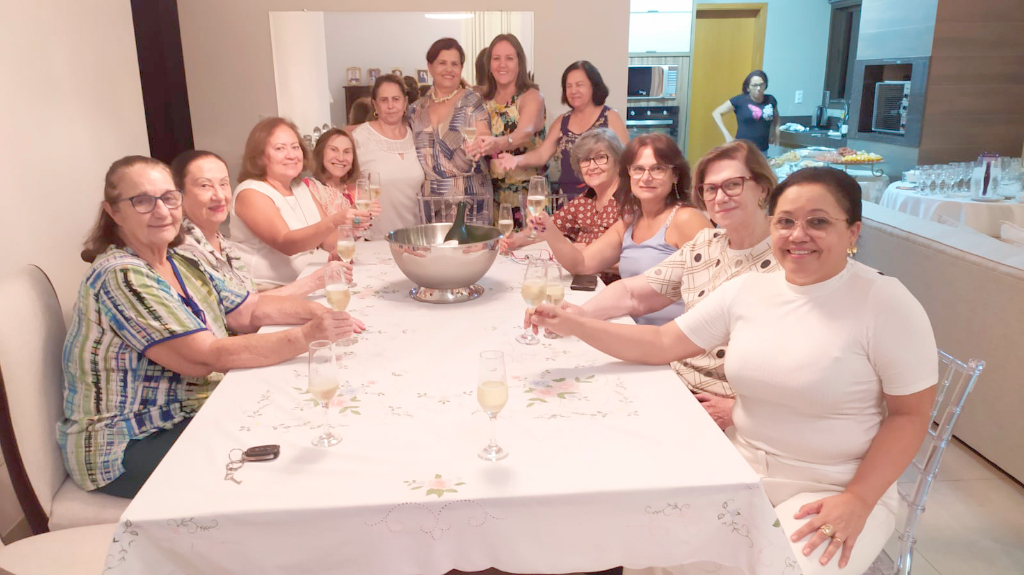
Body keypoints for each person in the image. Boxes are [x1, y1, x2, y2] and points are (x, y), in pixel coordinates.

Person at [531, 167, 938, 574]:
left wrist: (860, 500)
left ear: (852, 232)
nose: (798, 235)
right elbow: (661, 344)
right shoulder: (750, 289)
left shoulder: (884, 302)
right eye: (785, 222)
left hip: (834, 486)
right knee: (648, 548)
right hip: (737, 467)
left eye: (818, 221)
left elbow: (910, 416)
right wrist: (575, 323)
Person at [59, 156, 362, 496]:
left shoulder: (181, 258)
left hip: (193, 411)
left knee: (303, 426)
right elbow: (204, 357)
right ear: (113, 211)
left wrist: (319, 313)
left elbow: (249, 311)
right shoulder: (121, 274)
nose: (161, 211)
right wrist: (309, 335)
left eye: (168, 198)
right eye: (143, 201)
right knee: (280, 475)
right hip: (132, 440)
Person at [548, 140, 781, 429]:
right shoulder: (707, 244)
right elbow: (633, 293)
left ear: (763, 187)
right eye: (710, 188)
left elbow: (809, 363)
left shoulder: (789, 258)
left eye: (733, 185)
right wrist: (579, 316)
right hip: (675, 380)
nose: (720, 197)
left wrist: (741, 410)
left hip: (726, 405)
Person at [526, 133, 713, 325]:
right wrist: (549, 229)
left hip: (672, 339)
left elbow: (720, 290)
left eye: (658, 168)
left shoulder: (686, 218)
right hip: (632, 327)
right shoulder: (630, 222)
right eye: (638, 169)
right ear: (629, 174)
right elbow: (581, 264)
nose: (646, 177)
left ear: (675, 175)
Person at [171, 150, 353, 299]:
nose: (219, 195)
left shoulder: (223, 243)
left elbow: (248, 300)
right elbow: (238, 315)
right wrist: (313, 282)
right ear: (178, 195)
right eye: (205, 186)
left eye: (224, 184)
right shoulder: (184, 252)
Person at [230, 117, 352, 290]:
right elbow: (286, 243)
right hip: (267, 291)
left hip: (307, 282)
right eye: (280, 148)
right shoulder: (250, 192)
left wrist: (353, 222)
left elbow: (329, 240)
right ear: (259, 157)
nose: (292, 155)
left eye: (295, 147)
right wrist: (335, 220)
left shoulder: (300, 187)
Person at [500, 128, 624, 283]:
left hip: (615, 290)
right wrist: (517, 239)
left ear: (618, 161)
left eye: (600, 158)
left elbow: (641, 260)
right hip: (583, 283)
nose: (592, 166)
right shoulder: (585, 200)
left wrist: (587, 253)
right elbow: (549, 229)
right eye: (585, 160)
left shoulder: (629, 202)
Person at [497, 61, 629, 201]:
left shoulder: (610, 117)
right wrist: (516, 160)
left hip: (603, 200)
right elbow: (542, 154)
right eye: (568, 86)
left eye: (579, 85)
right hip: (567, 201)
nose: (573, 91)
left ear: (593, 86)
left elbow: (626, 160)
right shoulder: (562, 121)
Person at [408, 37, 493, 223]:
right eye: (442, 63)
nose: (449, 69)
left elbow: (484, 132)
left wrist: (482, 142)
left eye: (454, 64)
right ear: (430, 67)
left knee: (470, 252)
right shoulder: (415, 109)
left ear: (461, 68)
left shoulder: (472, 101)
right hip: (430, 201)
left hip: (469, 198)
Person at [472, 34, 546, 228]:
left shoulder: (531, 96)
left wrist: (497, 143)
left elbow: (524, 133)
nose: (502, 64)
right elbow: (478, 134)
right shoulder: (481, 98)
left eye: (509, 58)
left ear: (519, 63)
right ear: (489, 64)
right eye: (496, 58)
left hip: (526, 196)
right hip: (491, 193)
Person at [352, 75, 426, 240]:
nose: (391, 106)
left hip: (414, 238)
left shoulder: (416, 136)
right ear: (375, 105)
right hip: (374, 239)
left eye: (396, 99)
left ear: (405, 102)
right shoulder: (360, 138)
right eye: (384, 100)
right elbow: (347, 191)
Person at [309, 128, 380, 228]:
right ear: (321, 153)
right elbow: (318, 235)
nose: (341, 158)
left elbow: (357, 229)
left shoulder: (354, 191)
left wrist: (364, 217)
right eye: (333, 150)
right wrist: (354, 214)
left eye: (347, 152)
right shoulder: (309, 188)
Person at [712, 70, 780, 154]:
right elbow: (716, 113)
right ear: (748, 87)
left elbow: (776, 115)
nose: (758, 88)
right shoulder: (739, 100)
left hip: (763, 150)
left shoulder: (771, 100)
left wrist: (775, 130)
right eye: (754, 85)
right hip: (742, 150)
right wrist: (727, 135)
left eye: (761, 84)